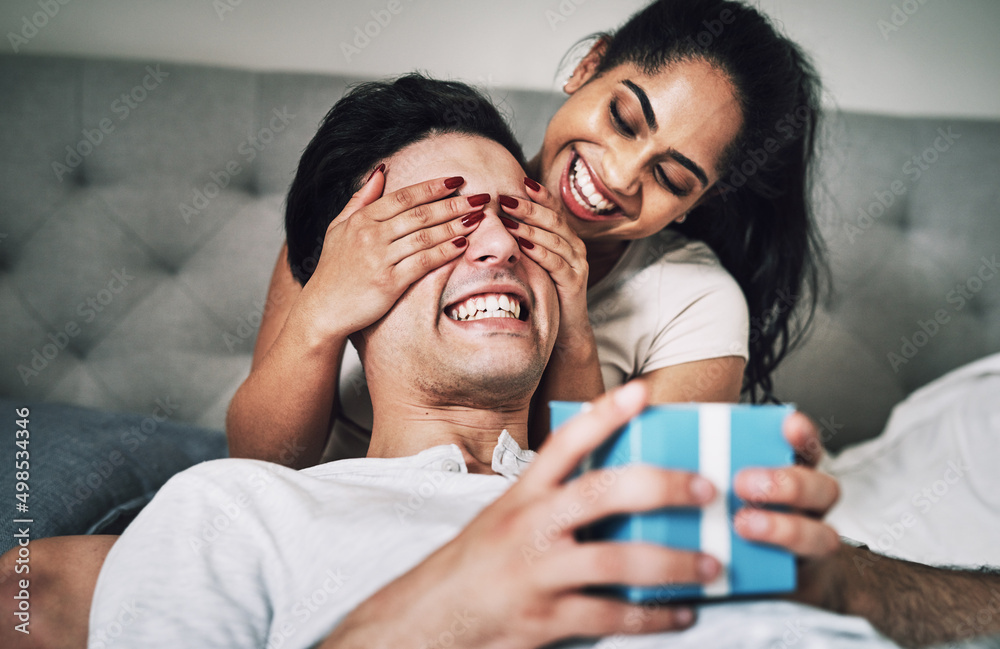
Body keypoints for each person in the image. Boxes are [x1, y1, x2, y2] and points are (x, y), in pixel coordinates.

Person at [5, 75, 999, 649]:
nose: (495, 243)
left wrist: (854, 587)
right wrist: (434, 612)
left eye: (515, 217)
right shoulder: (237, 512)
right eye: (439, 222)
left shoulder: (655, 464)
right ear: (352, 279)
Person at [226, 0, 826, 465]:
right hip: (319, 515)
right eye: (622, 119)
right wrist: (323, 308)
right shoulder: (388, 195)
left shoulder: (696, 300)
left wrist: (573, 326)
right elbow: (260, 465)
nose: (617, 175)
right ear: (590, 65)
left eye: (670, 176)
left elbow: (612, 505)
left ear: (700, 199)